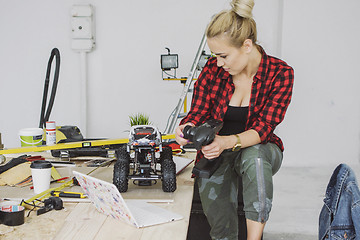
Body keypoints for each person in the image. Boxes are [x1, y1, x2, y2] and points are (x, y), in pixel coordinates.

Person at [175, 0, 294, 239]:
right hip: (217, 152)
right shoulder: (213, 69)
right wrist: (186, 127)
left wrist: (225, 142)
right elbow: (197, 112)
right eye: (215, 56)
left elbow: (264, 128)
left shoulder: (280, 74)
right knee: (219, 223)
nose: (218, 62)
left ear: (247, 46)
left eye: (223, 56)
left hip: (261, 147)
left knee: (255, 158)